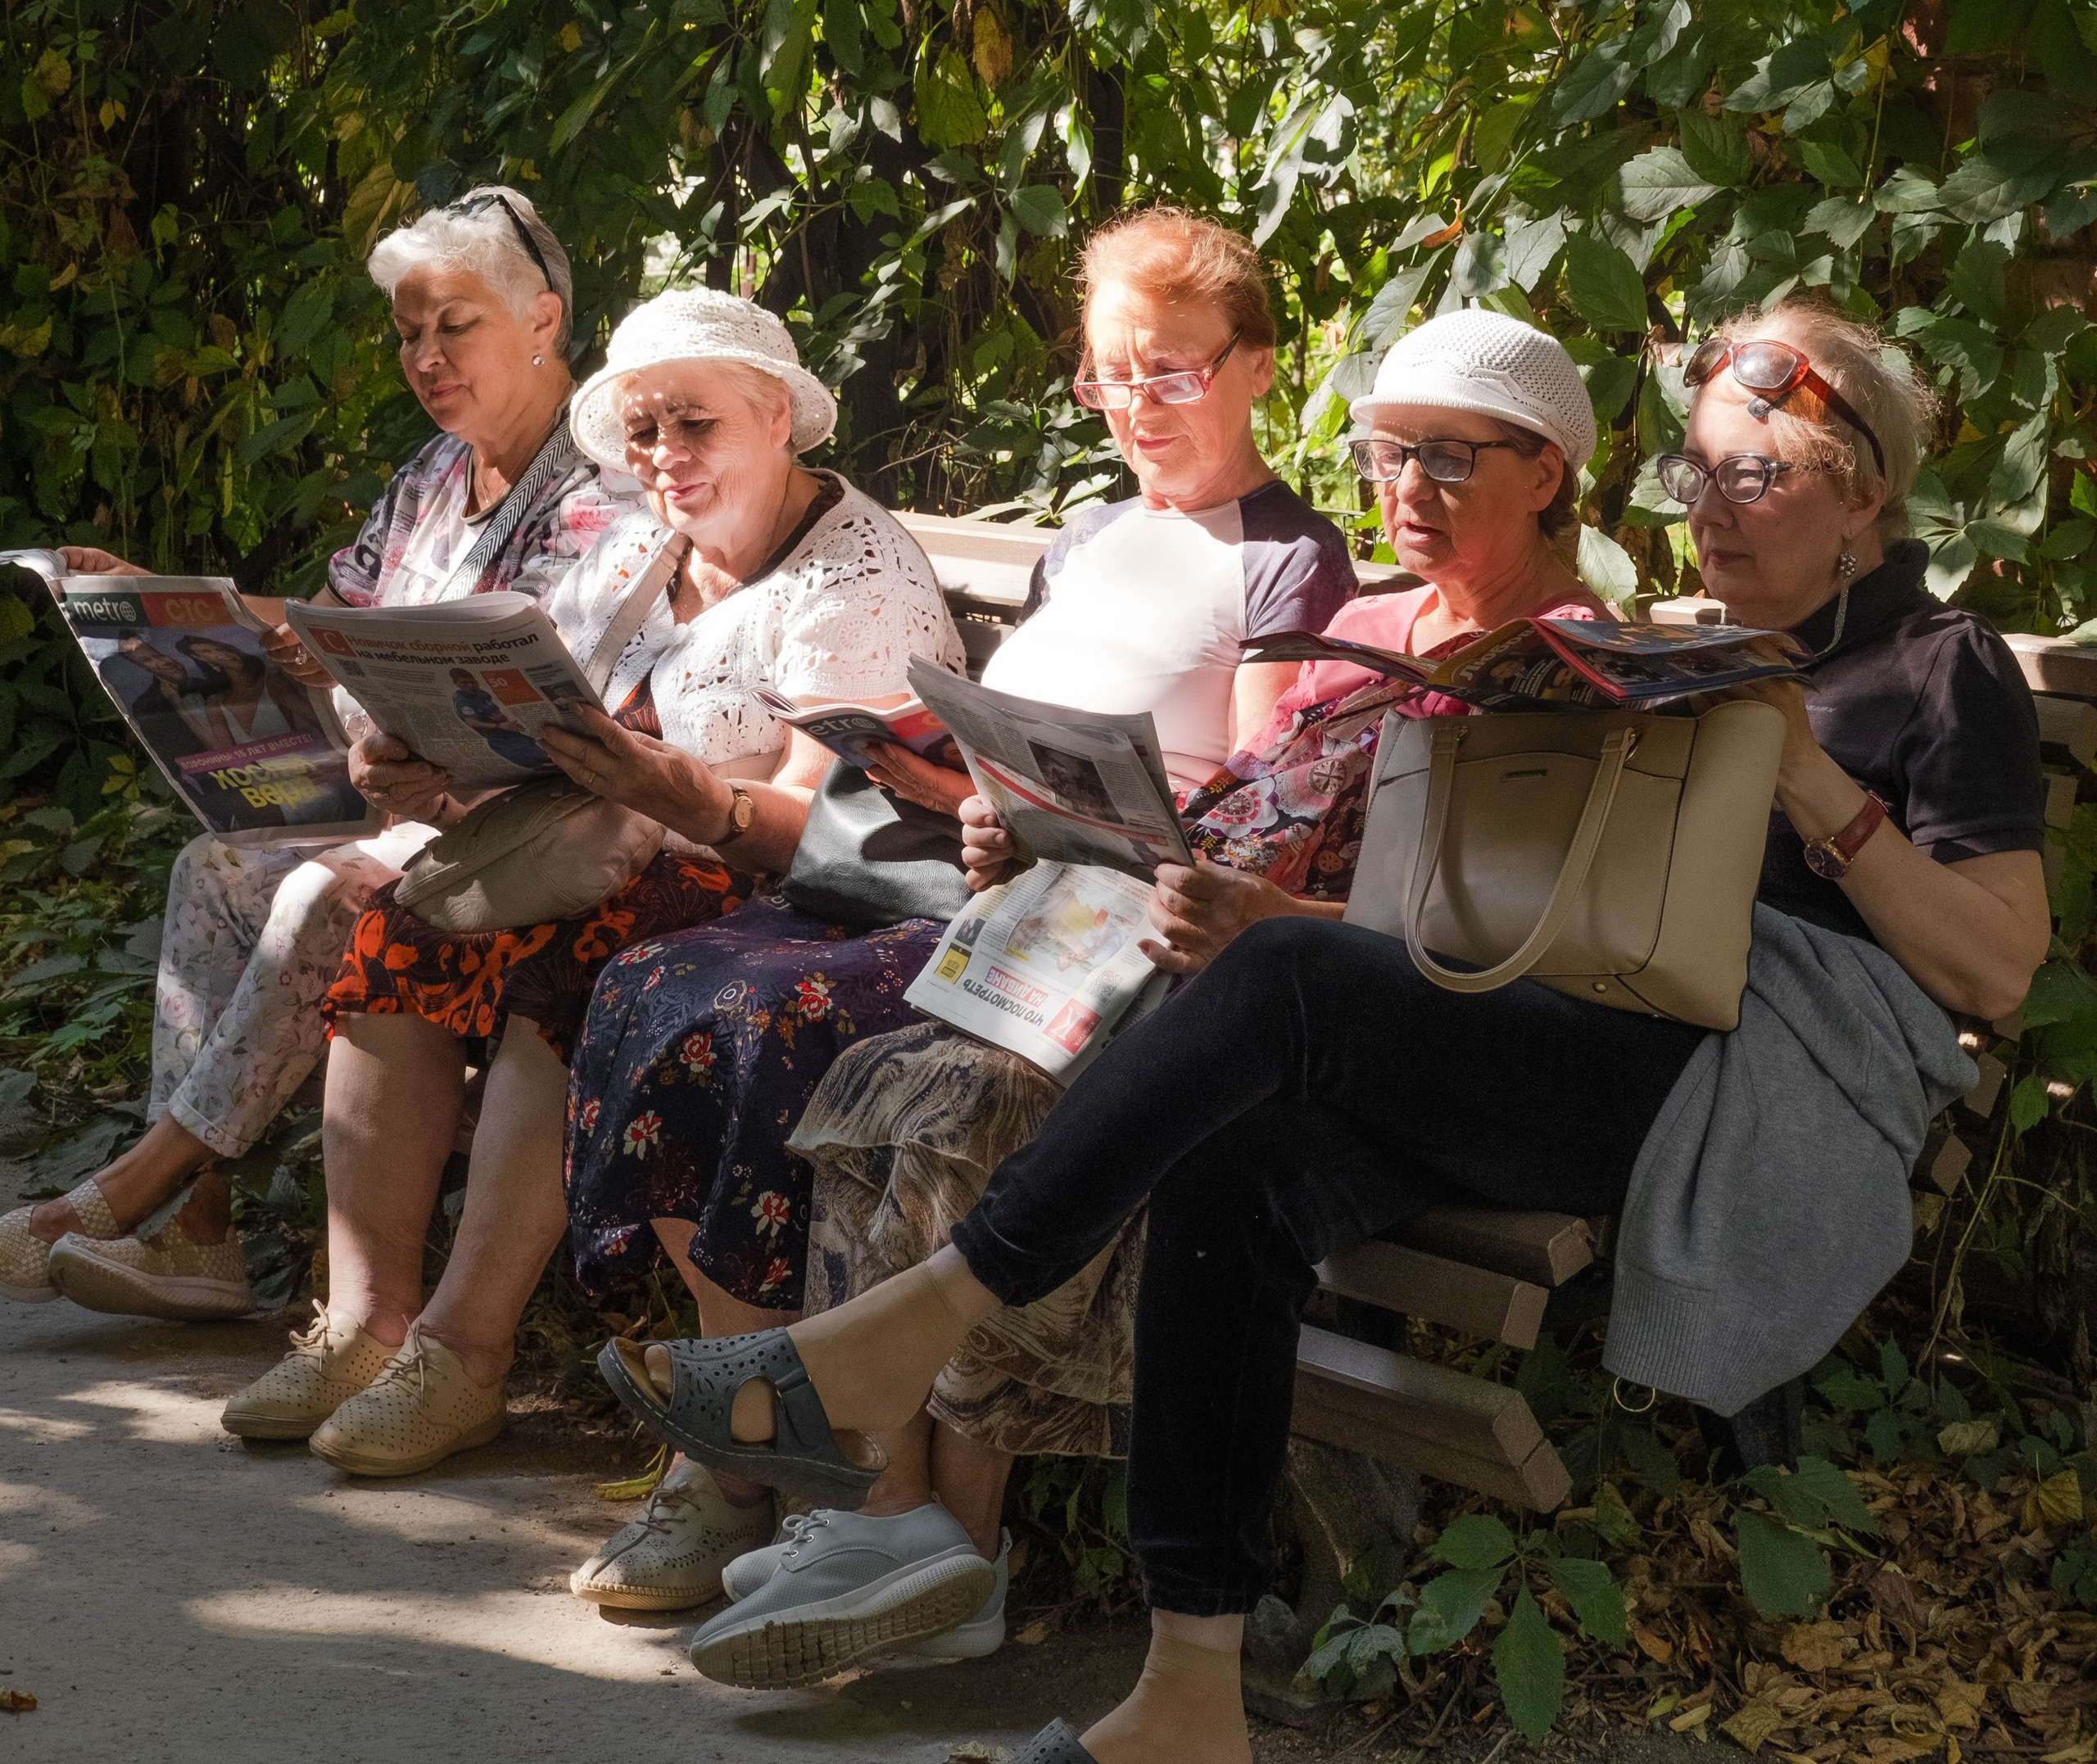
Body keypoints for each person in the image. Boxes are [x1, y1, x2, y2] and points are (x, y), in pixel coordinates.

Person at [605, 299, 2050, 1764]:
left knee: (1285, 976)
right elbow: (1530, 912)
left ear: (1862, 488)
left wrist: (1809, 783)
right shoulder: (1670, 644)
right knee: (1236, 1169)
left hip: (1719, 1080)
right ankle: (1186, 1695)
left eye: (1757, 474)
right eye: (1696, 473)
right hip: (1556, 1021)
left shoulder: (1939, 670)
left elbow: (1995, 970)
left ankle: (897, 1333)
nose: (1711, 510)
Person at [577, 209, 1356, 1667]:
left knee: (942, 1094)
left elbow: (1268, 817)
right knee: (866, 1084)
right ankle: (891, 1522)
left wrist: (1101, 826)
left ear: (1256, 367)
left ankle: (942, 1544)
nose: (1134, 406)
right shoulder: (1089, 538)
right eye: (1109, 375)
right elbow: (1019, 752)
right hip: (1014, 917)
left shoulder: (1288, 561)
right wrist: (991, 808)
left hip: (1161, 951)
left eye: (1172, 373)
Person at [215, 284, 958, 1482]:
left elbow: (838, 829)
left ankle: (466, 1350)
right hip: (607, 845)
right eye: (646, 430)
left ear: (775, 414)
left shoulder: (853, 574)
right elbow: (541, 731)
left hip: (764, 891)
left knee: (588, 959)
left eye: (695, 423)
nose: (666, 455)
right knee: (403, 923)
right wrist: (427, 772)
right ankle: (367, 1324)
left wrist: (676, 792)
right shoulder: (637, 547)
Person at [0, 184, 635, 1323]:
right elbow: (328, 621)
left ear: (542, 320)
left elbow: (556, 696)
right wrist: (156, 600)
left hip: (517, 827)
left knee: (314, 893)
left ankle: (136, 1188)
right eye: (405, 332)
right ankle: (195, 1237)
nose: (424, 356)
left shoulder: (602, 487)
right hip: (399, 799)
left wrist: (424, 753)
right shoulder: (436, 476)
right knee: (215, 868)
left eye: (454, 325)